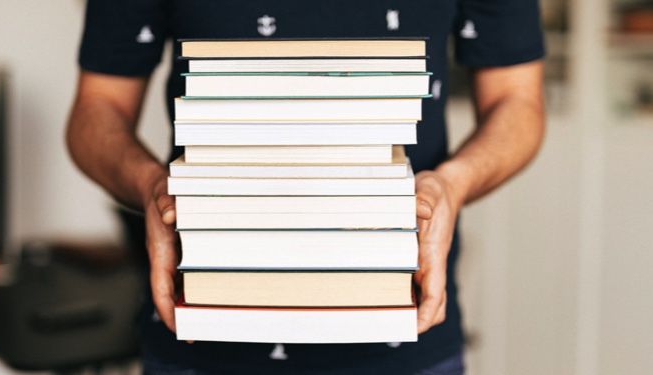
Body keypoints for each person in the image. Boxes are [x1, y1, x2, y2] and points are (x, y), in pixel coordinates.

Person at [66, 1, 545, 374]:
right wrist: (151, 184)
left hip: (405, 338)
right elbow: (96, 108)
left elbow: (517, 102)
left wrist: (453, 184)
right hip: (200, 336)